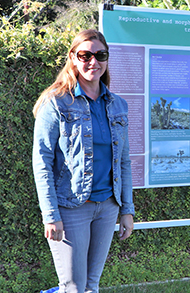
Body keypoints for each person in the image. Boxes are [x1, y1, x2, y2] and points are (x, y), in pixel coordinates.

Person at [32, 29, 135, 293]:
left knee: (91, 286)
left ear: (107, 59)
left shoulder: (117, 105)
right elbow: (41, 162)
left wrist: (126, 209)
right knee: (73, 287)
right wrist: (50, 215)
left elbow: (123, 161)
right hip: (71, 208)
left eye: (100, 55)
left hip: (108, 206)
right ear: (73, 58)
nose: (93, 61)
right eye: (85, 55)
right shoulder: (55, 103)